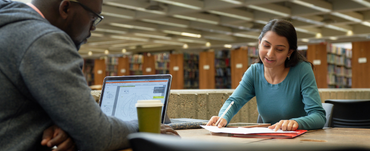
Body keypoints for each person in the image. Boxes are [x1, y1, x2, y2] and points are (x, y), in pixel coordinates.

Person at [0, 0, 178, 150]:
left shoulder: (9, 24)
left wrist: (71, 128)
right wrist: (145, 128)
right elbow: (97, 135)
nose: (93, 27)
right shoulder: (43, 39)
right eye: (94, 17)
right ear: (66, 8)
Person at [207, 19, 326, 131]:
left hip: (300, 141)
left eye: (279, 49)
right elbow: (234, 101)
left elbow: (319, 116)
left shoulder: (302, 70)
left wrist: (296, 123)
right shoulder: (254, 72)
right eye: (266, 46)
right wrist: (222, 117)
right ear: (259, 43)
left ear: (289, 52)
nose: (270, 54)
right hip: (267, 140)